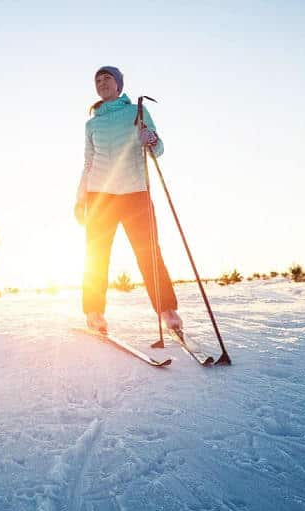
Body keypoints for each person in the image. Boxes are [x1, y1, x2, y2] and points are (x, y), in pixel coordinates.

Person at [74, 66, 182, 334]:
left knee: (149, 253)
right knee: (96, 256)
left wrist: (151, 138)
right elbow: (88, 164)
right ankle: (94, 312)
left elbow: (158, 149)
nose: (102, 83)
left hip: (135, 192)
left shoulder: (138, 111)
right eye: (98, 80)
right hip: (100, 196)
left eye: (107, 78)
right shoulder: (92, 124)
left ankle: (167, 311)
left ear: (119, 85)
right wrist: (80, 199)